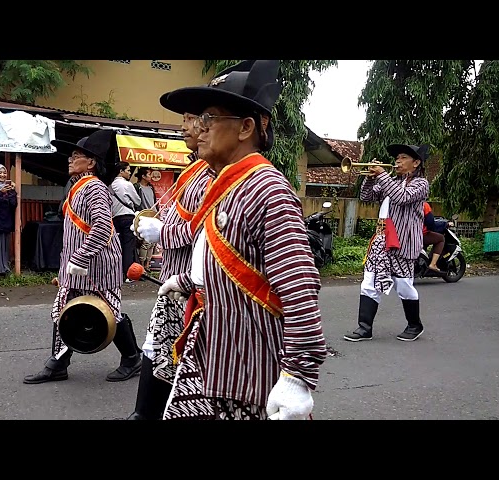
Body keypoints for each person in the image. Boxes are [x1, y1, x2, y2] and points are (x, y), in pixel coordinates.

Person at [148, 59, 327, 420]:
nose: (199, 129)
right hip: (214, 352)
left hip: (250, 371)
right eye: (200, 119)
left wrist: (298, 376)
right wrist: (185, 281)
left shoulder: (267, 189)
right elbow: (227, 259)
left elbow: (299, 290)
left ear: (246, 127)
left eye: (210, 118)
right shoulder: (224, 184)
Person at [23, 130, 142, 384]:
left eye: (76, 155)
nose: (69, 159)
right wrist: (68, 267)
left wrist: (80, 258)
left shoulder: (95, 188)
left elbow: (101, 227)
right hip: (79, 267)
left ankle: (133, 358)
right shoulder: (79, 186)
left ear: (90, 162)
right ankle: (58, 363)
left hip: (98, 266)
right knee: (64, 311)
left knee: (110, 312)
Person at [126, 113, 210, 420]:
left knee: (178, 358)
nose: (183, 126)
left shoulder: (212, 175)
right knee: (156, 346)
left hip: (192, 284)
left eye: (191, 119)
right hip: (175, 279)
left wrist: (163, 232)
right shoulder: (196, 169)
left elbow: (205, 230)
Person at [343, 143, 430, 343]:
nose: (397, 161)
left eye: (403, 158)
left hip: (402, 242)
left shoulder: (421, 184)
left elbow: (402, 197)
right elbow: (366, 196)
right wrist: (368, 178)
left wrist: (382, 175)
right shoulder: (390, 180)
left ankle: (414, 325)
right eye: (397, 157)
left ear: (416, 163)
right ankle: (364, 328)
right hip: (381, 240)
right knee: (369, 282)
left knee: (403, 285)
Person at [110, 161, 141, 282]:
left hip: (114, 217)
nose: (129, 173)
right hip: (127, 216)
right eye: (128, 170)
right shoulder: (127, 185)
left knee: (117, 246)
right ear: (121, 171)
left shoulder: (110, 185)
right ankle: (129, 274)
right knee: (128, 245)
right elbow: (137, 201)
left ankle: (117, 273)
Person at [133, 166, 159, 271]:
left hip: (153, 215)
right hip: (143, 215)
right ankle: (142, 265)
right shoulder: (137, 186)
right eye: (149, 174)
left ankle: (148, 265)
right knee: (145, 242)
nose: (151, 176)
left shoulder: (151, 187)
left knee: (152, 242)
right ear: (143, 176)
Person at [422, 201, 445, 272]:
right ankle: (433, 264)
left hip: (405, 235)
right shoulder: (424, 205)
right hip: (421, 234)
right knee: (441, 238)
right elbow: (430, 222)